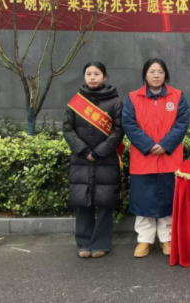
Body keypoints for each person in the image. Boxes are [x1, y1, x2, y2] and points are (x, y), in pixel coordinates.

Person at [122, 58, 190, 258]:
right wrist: (149, 145)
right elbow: (129, 124)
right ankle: (145, 239)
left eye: (160, 71)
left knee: (168, 200)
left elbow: (182, 123)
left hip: (169, 158)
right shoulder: (133, 97)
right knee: (144, 200)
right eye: (152, 71)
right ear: (145, 75)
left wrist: (165, 145)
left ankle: (166, 238)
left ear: (165, 74)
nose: (156, 75)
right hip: (144, 159)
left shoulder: (177, 96)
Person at [63, 62, 124, 258]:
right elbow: (67, 129)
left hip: (106, 159)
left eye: (96, 74)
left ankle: (101, 243)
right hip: (81, 159)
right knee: (83, 201)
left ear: (104, 77)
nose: (92, 77)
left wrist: (98, 152)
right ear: (84, 77)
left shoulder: (115, 102)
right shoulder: (76, 102)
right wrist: (83, 150)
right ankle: (83, 243)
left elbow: (118, 131)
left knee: (105, 202)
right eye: (88, 73)